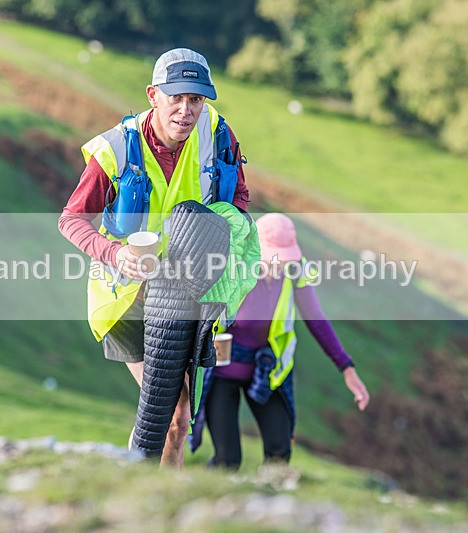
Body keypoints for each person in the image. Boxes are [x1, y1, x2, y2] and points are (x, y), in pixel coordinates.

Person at [58, 48, 250, 468]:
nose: (186, 110)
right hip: (123, 295)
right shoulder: (114, 150)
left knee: (180, 418)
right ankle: (141, 494)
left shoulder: (218, 134)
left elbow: (238, 201)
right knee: (162, 408)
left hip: (184, 292)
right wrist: (116, 253)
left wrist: (222, 251)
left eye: (197, 99)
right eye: (176, 97)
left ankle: (162, 499)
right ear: (153, 95)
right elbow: (70, 219)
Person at [190, 213, 370, 469]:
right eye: (275, 256)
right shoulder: (230, 266)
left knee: (280, 451)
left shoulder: (295, 271)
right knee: (227, 461)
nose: (281, 265)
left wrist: (347, 368)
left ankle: (272, 503)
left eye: (286, 258)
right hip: (220, 375)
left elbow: (315, 318)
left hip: (267, 372)